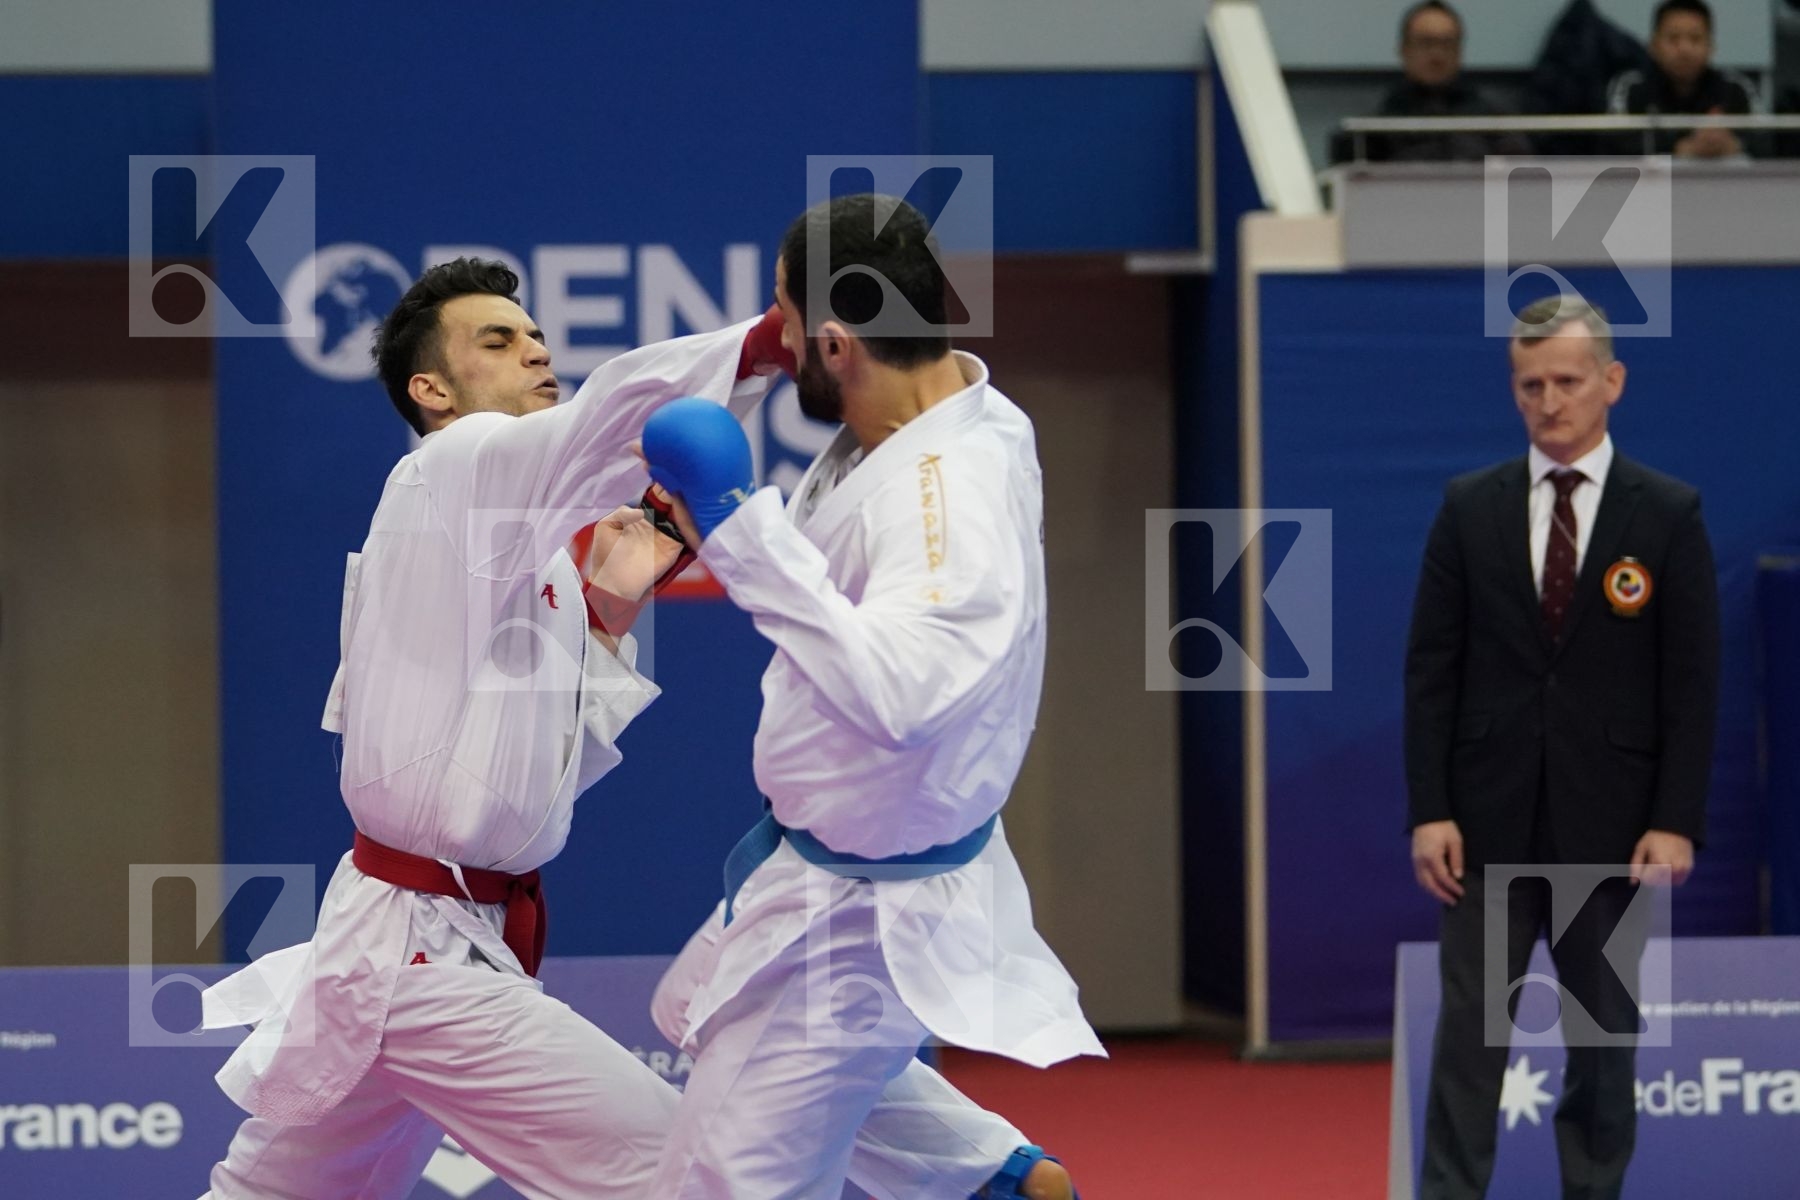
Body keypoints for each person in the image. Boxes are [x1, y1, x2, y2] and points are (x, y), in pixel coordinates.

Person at [196, 257, 788, 1199]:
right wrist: (765, 345)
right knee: (684, 1175)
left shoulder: (524, 547)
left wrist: (602, 613)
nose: (536, 350)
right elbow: (608, 428)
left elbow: (534, 773)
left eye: (537, 336)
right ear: (432, 389)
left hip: (420, 941)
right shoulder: (449, 468)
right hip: (423, 958)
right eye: (498, 340)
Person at [639, 194, 1104, 1200]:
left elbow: (902, 693)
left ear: (841, 340)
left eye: (787, 319)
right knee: (686, 1011)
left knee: (715, 1182)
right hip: (821, 871)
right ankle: (992, 1176)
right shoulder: (899, 430)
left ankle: (985, 1176)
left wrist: (737, 526)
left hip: (864, 911)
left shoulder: (954, 490)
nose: (778, 338)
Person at [1404, 295, 1720, 1199]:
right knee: (1470, 1046)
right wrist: (1429, 810)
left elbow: (1692, 684)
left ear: (1612, 382)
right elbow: (1430, 670)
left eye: (1569, 382)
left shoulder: (1666, 514)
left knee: (1603, 1048)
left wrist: (1674, 820)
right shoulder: (1470, 509)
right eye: (1531, 384)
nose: (1550, 401)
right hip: (1484, 829)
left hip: (1614, 833)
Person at [1330, 1, 1531, 164]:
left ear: (1460, 51)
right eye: (1426, 43)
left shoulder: (1495, 125)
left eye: (1447, 43)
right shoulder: (1373, 131)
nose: (1437, 55)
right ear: (1403, 50)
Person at [1606, 0, 1763, 157]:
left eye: (1695, 39)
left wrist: (1733, 144)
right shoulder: (1631, 86)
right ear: (1653, 46)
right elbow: (1613, 145)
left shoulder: (1735, 87)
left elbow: (1766, 140)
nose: (1684, 49)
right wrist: (1678, 149)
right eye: (1673, 39)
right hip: (1652, 181)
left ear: (1711, 46)